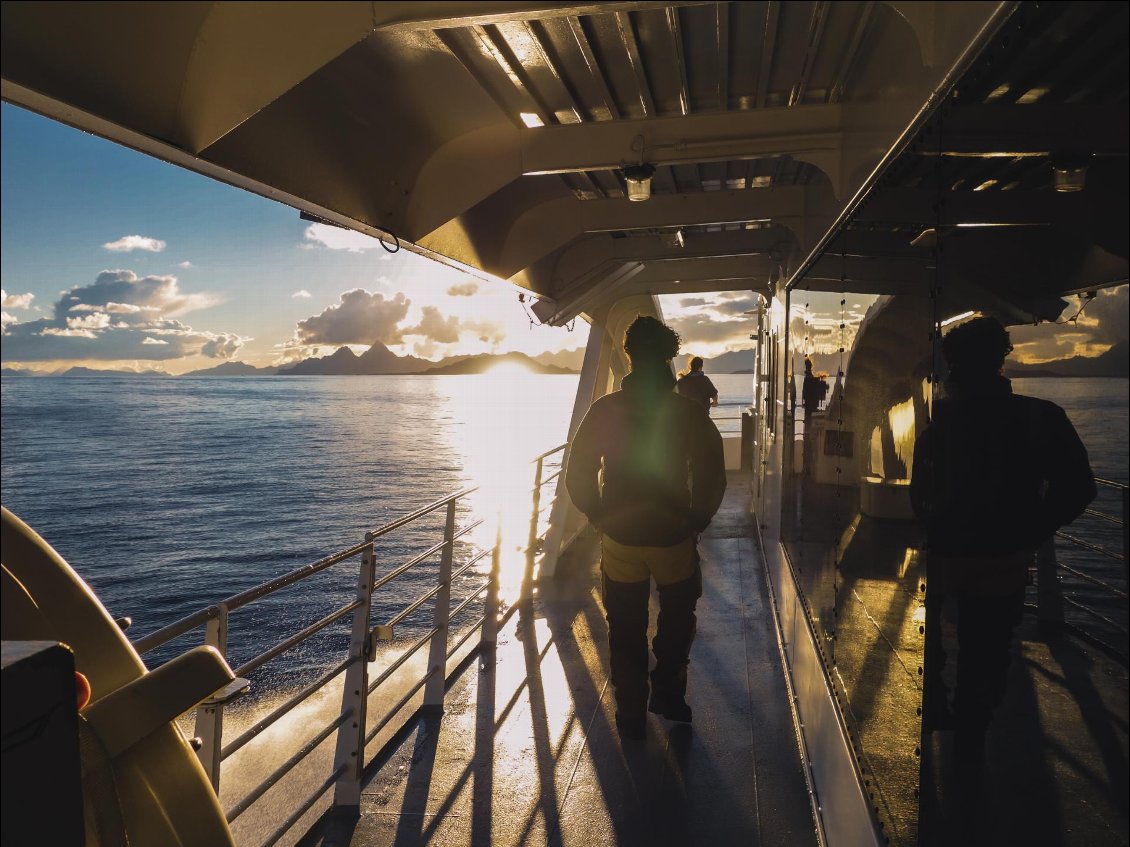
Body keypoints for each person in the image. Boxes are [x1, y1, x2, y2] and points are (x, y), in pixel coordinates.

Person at [910, 316, 1095, 768]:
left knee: (932, 640)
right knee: (986, 650)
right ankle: (970, 734)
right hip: (1002, 559)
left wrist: (936, 526)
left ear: (953, 363)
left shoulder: (942, 423)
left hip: (947, 554)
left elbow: (921, 491)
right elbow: (1079, 488)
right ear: (1001, 358)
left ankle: (935, 707)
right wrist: (1029, 531)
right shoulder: (1040, 418)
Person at [566, 317, 727, 740]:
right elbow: (713, 471)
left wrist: (599, 516)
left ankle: (631, 714)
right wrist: (698, 518)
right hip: (673, 535)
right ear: (668, 357)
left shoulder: (606, 409)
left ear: (631, 355)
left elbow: (578, 472)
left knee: (624, 624)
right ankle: (669, 695)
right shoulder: (685, 412)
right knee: (677, 616)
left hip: (620, 537)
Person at [800, 357, 828, 424]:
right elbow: (810, 385)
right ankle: (808, 422)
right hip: (810, 399)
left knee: (809, 412)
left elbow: (809, 385)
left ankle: (808, 422)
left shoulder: (808, 375)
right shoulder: (808, 375)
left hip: (809, 398)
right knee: (809, 412)